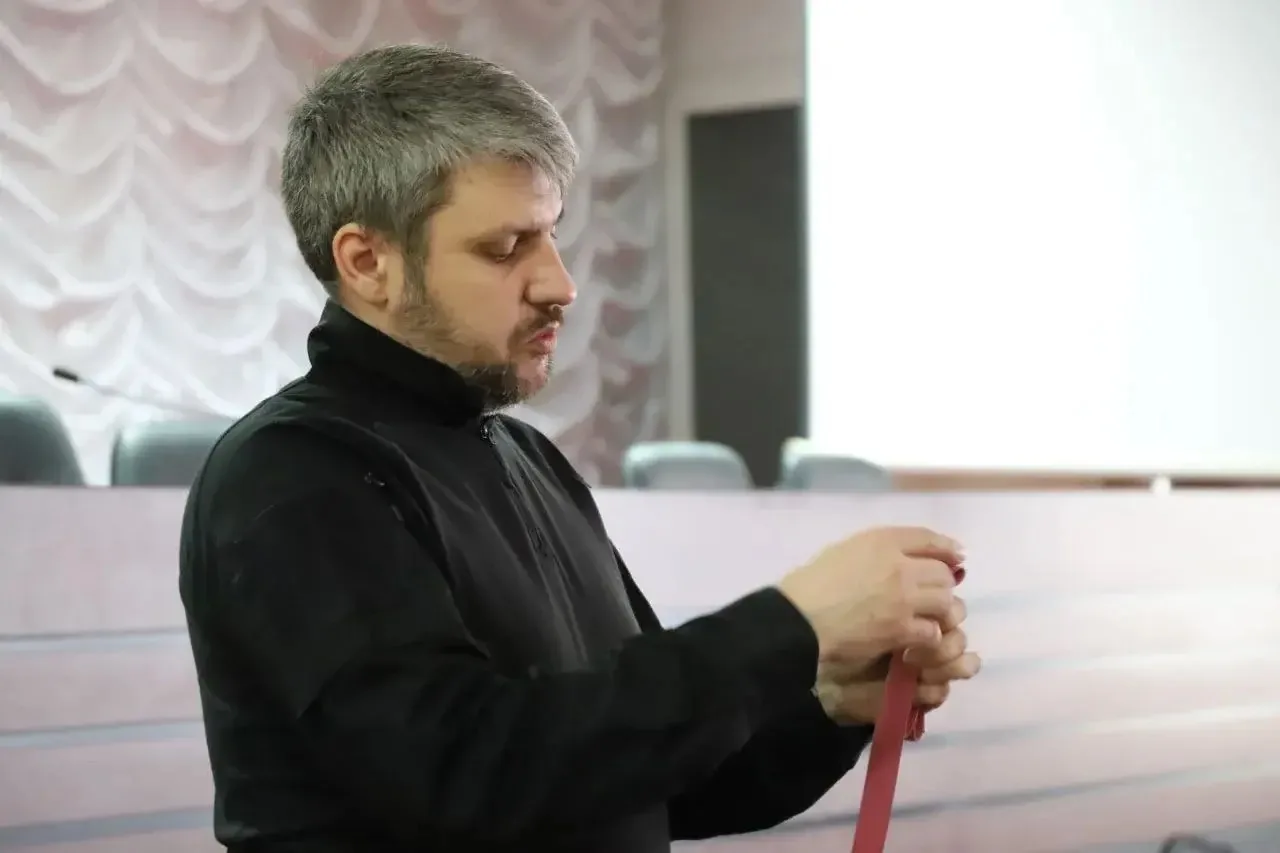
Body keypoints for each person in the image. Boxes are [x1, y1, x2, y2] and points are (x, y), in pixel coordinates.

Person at [178, 43, 981, 853]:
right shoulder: (290, 474)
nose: (560, 284)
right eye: (506, 248)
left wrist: (830, 705)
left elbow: (655, 775)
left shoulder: (528, 459)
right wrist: (791, 625)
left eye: (552, 236)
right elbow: (463, 769)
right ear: (367, 262)